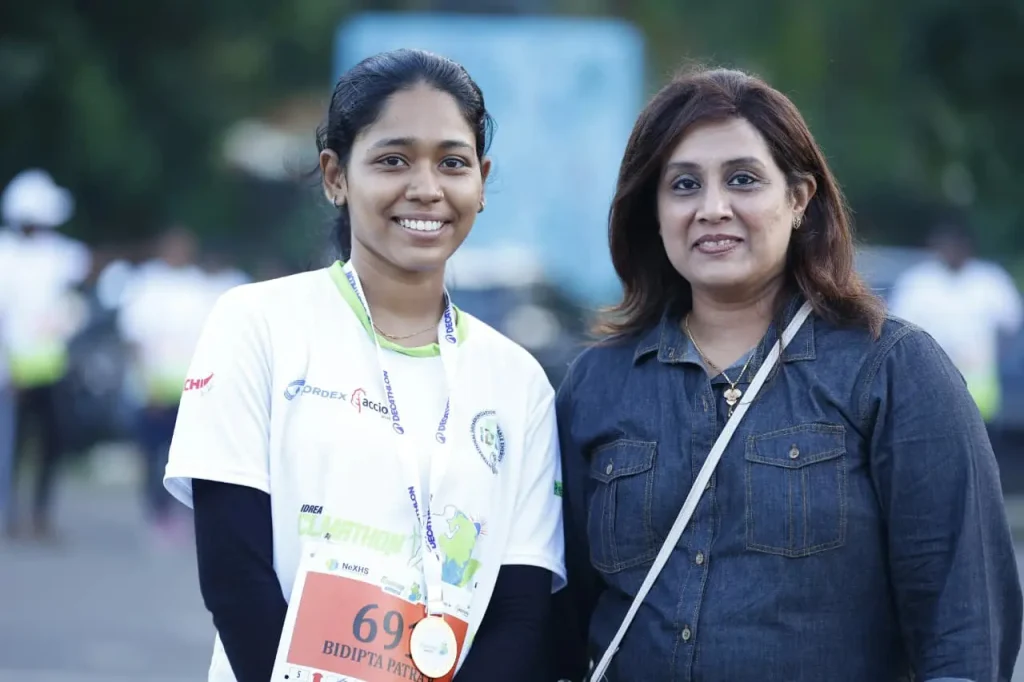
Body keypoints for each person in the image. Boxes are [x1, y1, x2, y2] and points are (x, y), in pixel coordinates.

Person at [552, 67, 1022, 682]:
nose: (712, 209)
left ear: (799, 199)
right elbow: (556, 623)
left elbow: (965, 628)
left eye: (743, 180)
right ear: (655, 209)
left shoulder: (891, 371)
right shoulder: (596, 385)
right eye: (684, 184)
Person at [163, 48, 565, 682]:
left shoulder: (520, 383)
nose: (427, 187)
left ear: (481, 182)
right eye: (393, 160)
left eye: (453, 163)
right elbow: (234, 574)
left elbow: (520, 609)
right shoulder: (257, 324)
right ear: (335, 175)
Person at [0, 168, 92, 540]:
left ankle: (39, 515)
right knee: (12, 446)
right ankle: (12, 515)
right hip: (13, 371)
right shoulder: (5, 255)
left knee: (51, 443)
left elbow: (72, 298)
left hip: (52, 367)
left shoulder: (58, 254)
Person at [117, 225, 211, 545]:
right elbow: (135, 338)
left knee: (186, 455)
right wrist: (146, 383)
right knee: (153, 454)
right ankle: (156, 512)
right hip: (153, 388)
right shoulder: (147, 284)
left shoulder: (199, 286)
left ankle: (182, 512)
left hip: (189, 389)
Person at [888, 218, 1023, 425]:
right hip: (928, 379)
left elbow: (1010, 325)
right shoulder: (918, 282)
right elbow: (898, 331)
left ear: (966, 247)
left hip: (978, 384)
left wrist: (993, 356)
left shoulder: (989, 280)